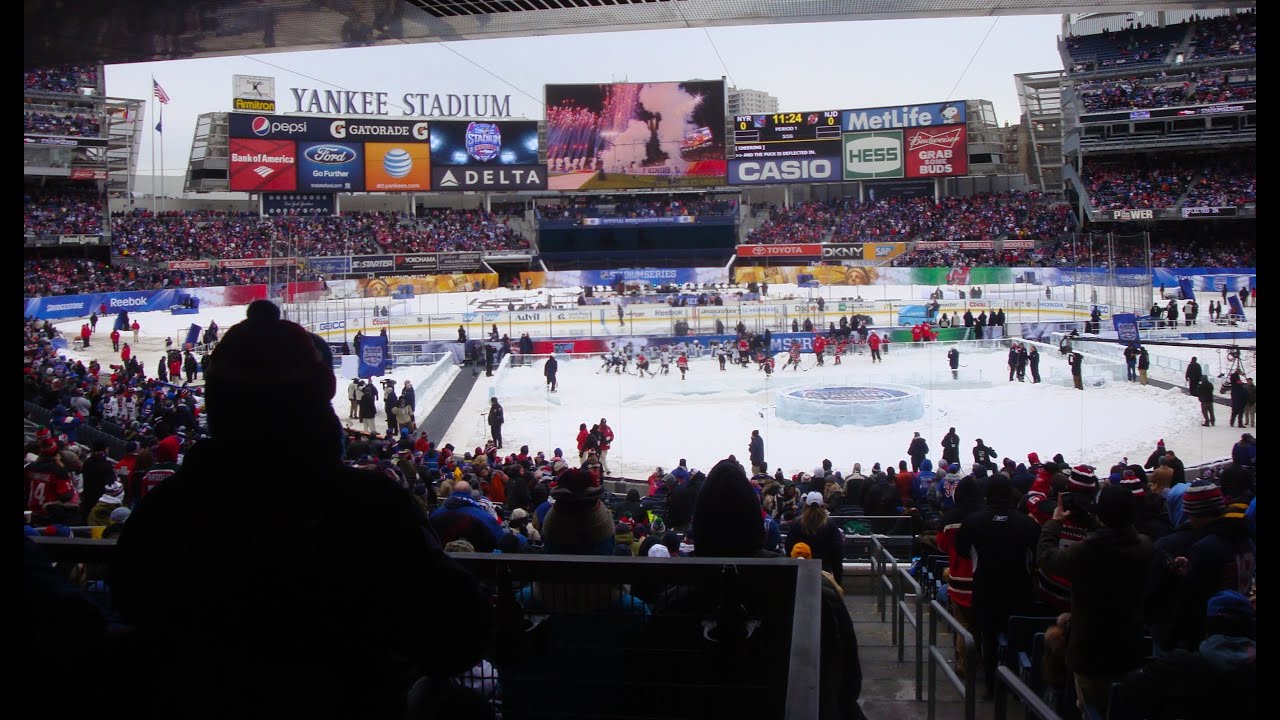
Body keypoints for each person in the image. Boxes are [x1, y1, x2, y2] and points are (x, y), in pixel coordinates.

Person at [109, 300, 488, 719]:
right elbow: (454, 634)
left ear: (217, 404)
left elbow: (129, 602)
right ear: (317, 402)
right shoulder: (368, 504)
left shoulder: (168, 507)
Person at [1037, 484, 1154, 713]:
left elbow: (1046, 556)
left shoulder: (1086, 553)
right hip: (1131, 650)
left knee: (1092, 708)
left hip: (1090, 655)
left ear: (1101, 513)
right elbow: (1116, 536)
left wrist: (1055, 523)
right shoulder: (1145, 547)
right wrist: (1094, 522)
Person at [956, 475, 1041, 700]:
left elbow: (963, 550)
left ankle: (992, 687)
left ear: (987, 494)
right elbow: (1036, 558)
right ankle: (1015, 687)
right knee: (1017, 637)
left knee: (989, 639)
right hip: (1019, 591)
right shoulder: (1027, 524)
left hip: (986, 590)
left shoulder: (973, 521)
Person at [785, 491, 844, 586]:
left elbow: (789, 547)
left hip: (801, 569)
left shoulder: (797, 522)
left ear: (805, 505)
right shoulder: (830, 523)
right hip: (824, 571)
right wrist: (838, 579)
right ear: (822, 506)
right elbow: (837, 551)